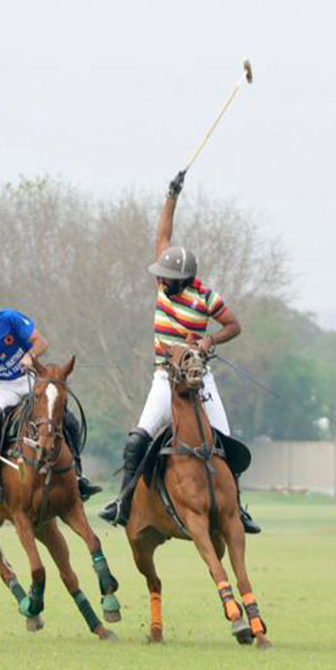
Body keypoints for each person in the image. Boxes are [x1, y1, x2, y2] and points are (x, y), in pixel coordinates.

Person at [99, 170, 259, 533]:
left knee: (226, 443)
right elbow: (162, 236)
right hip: (163, 377)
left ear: (183, 279)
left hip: (199, 379)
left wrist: (209, 341)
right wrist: (172, 195)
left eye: (166, 277)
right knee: (139, 436)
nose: (159, 279)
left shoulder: (206, 297)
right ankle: (123, 500)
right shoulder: (162, 285)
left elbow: (234, 326)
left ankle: (239, 509)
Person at [0, 289, 100, 505]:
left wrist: (30, 355)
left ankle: (78, 475)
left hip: (32, 379)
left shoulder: (8, 319)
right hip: (3, 387)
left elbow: (41, 342)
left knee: (68, 419)